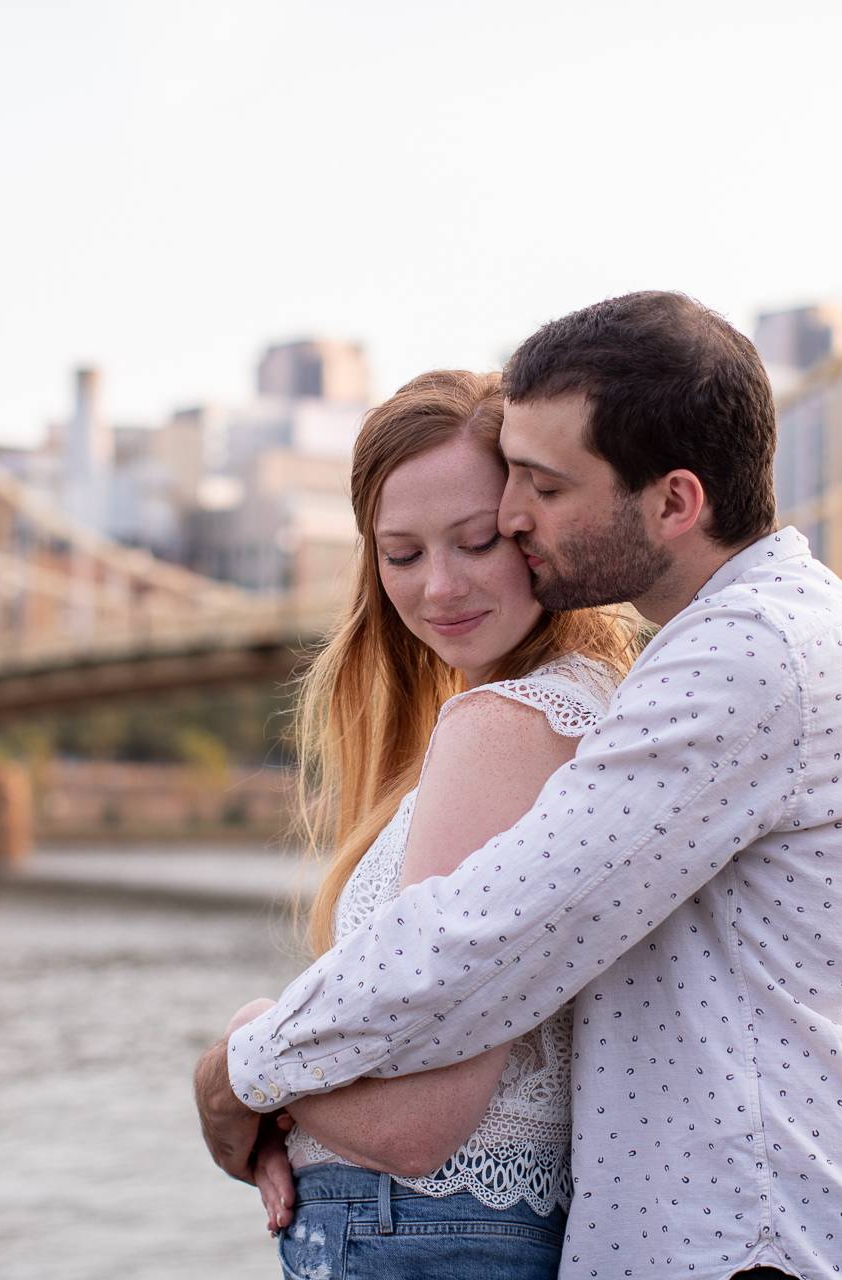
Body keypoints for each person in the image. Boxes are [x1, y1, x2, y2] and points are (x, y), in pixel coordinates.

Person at [197, 292, 842, 1280]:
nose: (516, 514)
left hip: (775, 1255)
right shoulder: (718, 651)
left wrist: (241, 1063)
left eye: (543, 487)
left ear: (673, 502)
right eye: (402, 552)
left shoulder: (748, 659)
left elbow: (480, 930)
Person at [211, 368, 641, 1279]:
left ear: (536, 526)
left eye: (476, 541)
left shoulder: (506, 725)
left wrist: (245, 1046)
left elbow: (417, 1127)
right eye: (401, 555)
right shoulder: (588, 707)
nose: (439, 588)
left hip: (414, 1229)